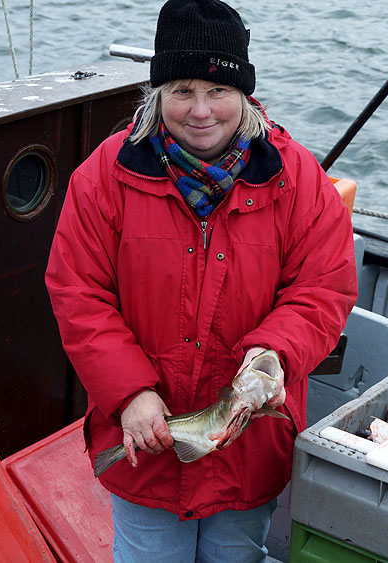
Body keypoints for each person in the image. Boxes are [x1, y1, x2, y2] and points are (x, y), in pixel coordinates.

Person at [44, 0, 358, 560]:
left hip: (249, 441)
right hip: (144, 439)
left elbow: (323, 289)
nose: (200, 110)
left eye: (217, 91)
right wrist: (130, 393)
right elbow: (78, 292)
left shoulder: (299, 179)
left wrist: (272, 355)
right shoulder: (103, 177)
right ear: (156, 94)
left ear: (245, 95)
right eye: (182, 90)